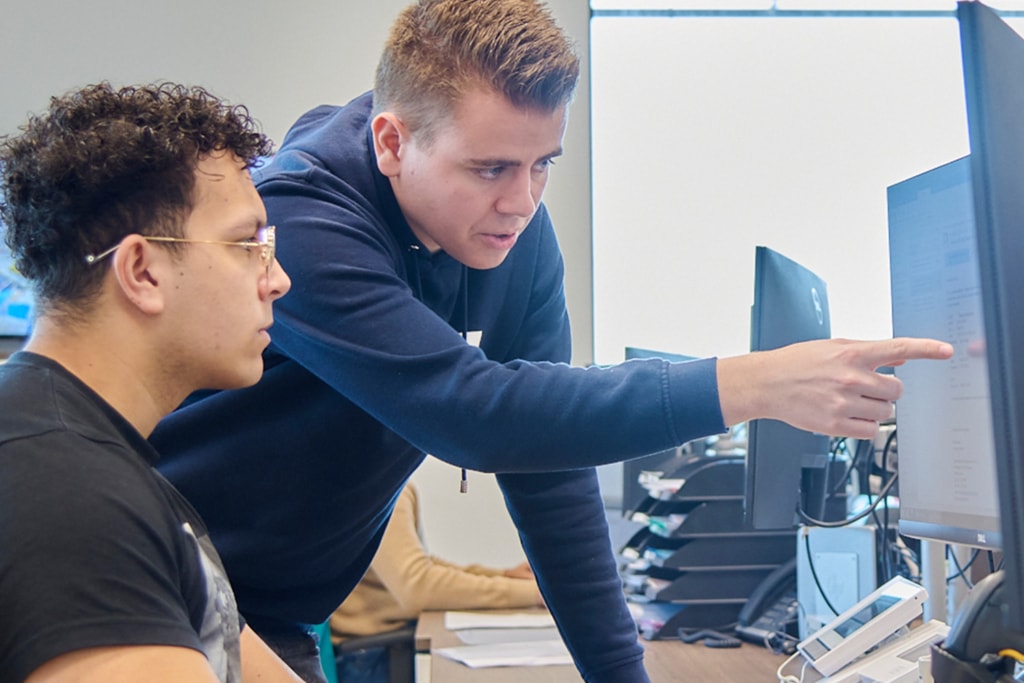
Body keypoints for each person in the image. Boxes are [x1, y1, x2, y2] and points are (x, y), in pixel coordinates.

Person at [149, 1, 954, 681]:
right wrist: (754, 383)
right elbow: (475, 414)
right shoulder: (301, 216)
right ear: (393, 144)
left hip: (274, 611)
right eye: (491, 168)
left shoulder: (511, 232)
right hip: (155, 584)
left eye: (543, 165)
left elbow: (547, 465)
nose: (523, 201)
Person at [0, 82, 300, 683]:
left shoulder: (103, 463)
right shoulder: (67, 493)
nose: (278, 280)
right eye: (247, 245)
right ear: (142, 270)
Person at [329, 482, 543, 682]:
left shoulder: (378, 480)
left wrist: (503, 575)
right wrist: (533, 593)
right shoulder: (380, 487)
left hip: (377, 650)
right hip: (374, 659)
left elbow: (422, 565)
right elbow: (417, 587)